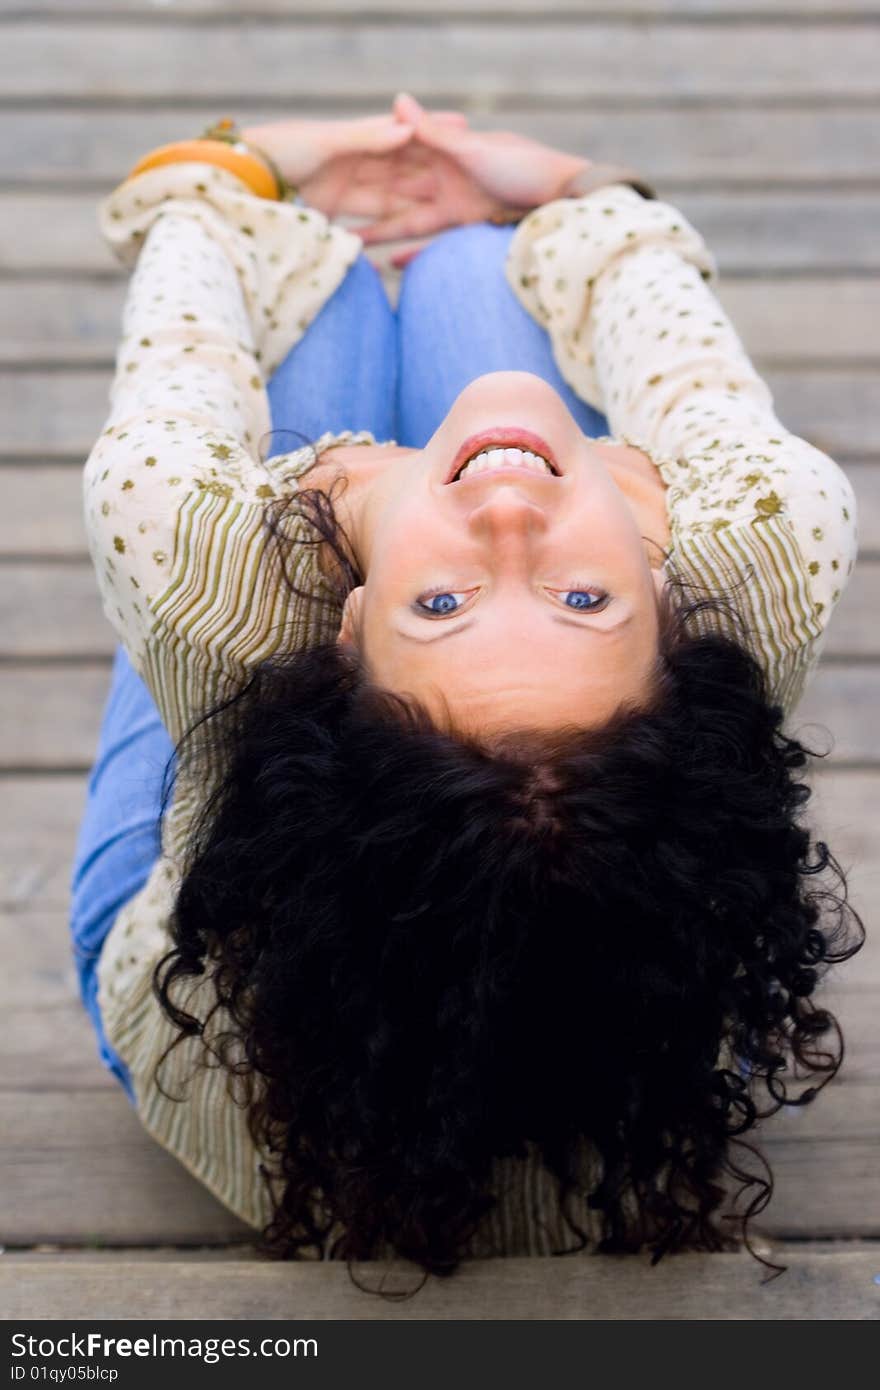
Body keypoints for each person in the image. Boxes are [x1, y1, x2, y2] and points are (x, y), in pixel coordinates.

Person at [70, 94, 863, 1283]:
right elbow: (656, 312)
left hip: (249, 1090)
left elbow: (189, 286)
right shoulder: (763, 542)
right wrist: (562, 181)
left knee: (324, 303)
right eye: (582, 600)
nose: (506, 518)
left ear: (333, 648)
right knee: (475, 272)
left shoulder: (193, 554)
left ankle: (405, 510)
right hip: (629, 1054)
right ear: (672, 606)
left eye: (441, 609)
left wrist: (254, 163)